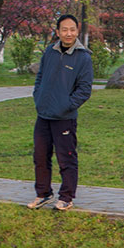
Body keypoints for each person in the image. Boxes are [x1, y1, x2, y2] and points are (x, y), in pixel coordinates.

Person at [29, 13, 94, 211]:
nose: (68, 33)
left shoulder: (83, 57)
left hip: (64, 118)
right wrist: (38, 97)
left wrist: (66, 105)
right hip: (43, 115)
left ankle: (66, 197)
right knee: (40, 156)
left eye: (72, 29)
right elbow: (40, 77)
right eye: (64, 29)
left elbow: (84, 90)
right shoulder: (50, 52)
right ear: (57, 32)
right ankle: (43, 193)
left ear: (77, 31)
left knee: (66, 158)